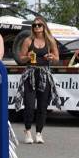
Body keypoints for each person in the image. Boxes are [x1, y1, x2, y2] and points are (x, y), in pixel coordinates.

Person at [17, 16, 59, 144]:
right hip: (30, 74)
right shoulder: (28, 41)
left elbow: (57, 59)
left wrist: (51, 57)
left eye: (39, 25)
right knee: (29, 105)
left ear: (44, 26)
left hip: (44, 74)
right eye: (34, 25)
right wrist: (27, 57)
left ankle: (39, 133)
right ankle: (28, 130)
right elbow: (21, 59)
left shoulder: (50, 41)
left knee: (42, 106)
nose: (36, 27)